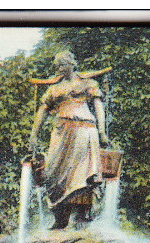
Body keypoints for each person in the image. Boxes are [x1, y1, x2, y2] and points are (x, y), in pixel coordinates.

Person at [29, 50, 111, 230]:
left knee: (83, 174)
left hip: (84, 130)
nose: (59, 68)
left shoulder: (88, 83)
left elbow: (99, 106)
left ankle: (82, 217)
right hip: (60, 132)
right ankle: (61, 218)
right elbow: (42, 111)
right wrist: (33, 135)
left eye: (62, 64)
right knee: (50, 173)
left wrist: (102, 132)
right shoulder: (54, 88)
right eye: (57, 65)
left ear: (72, 64)